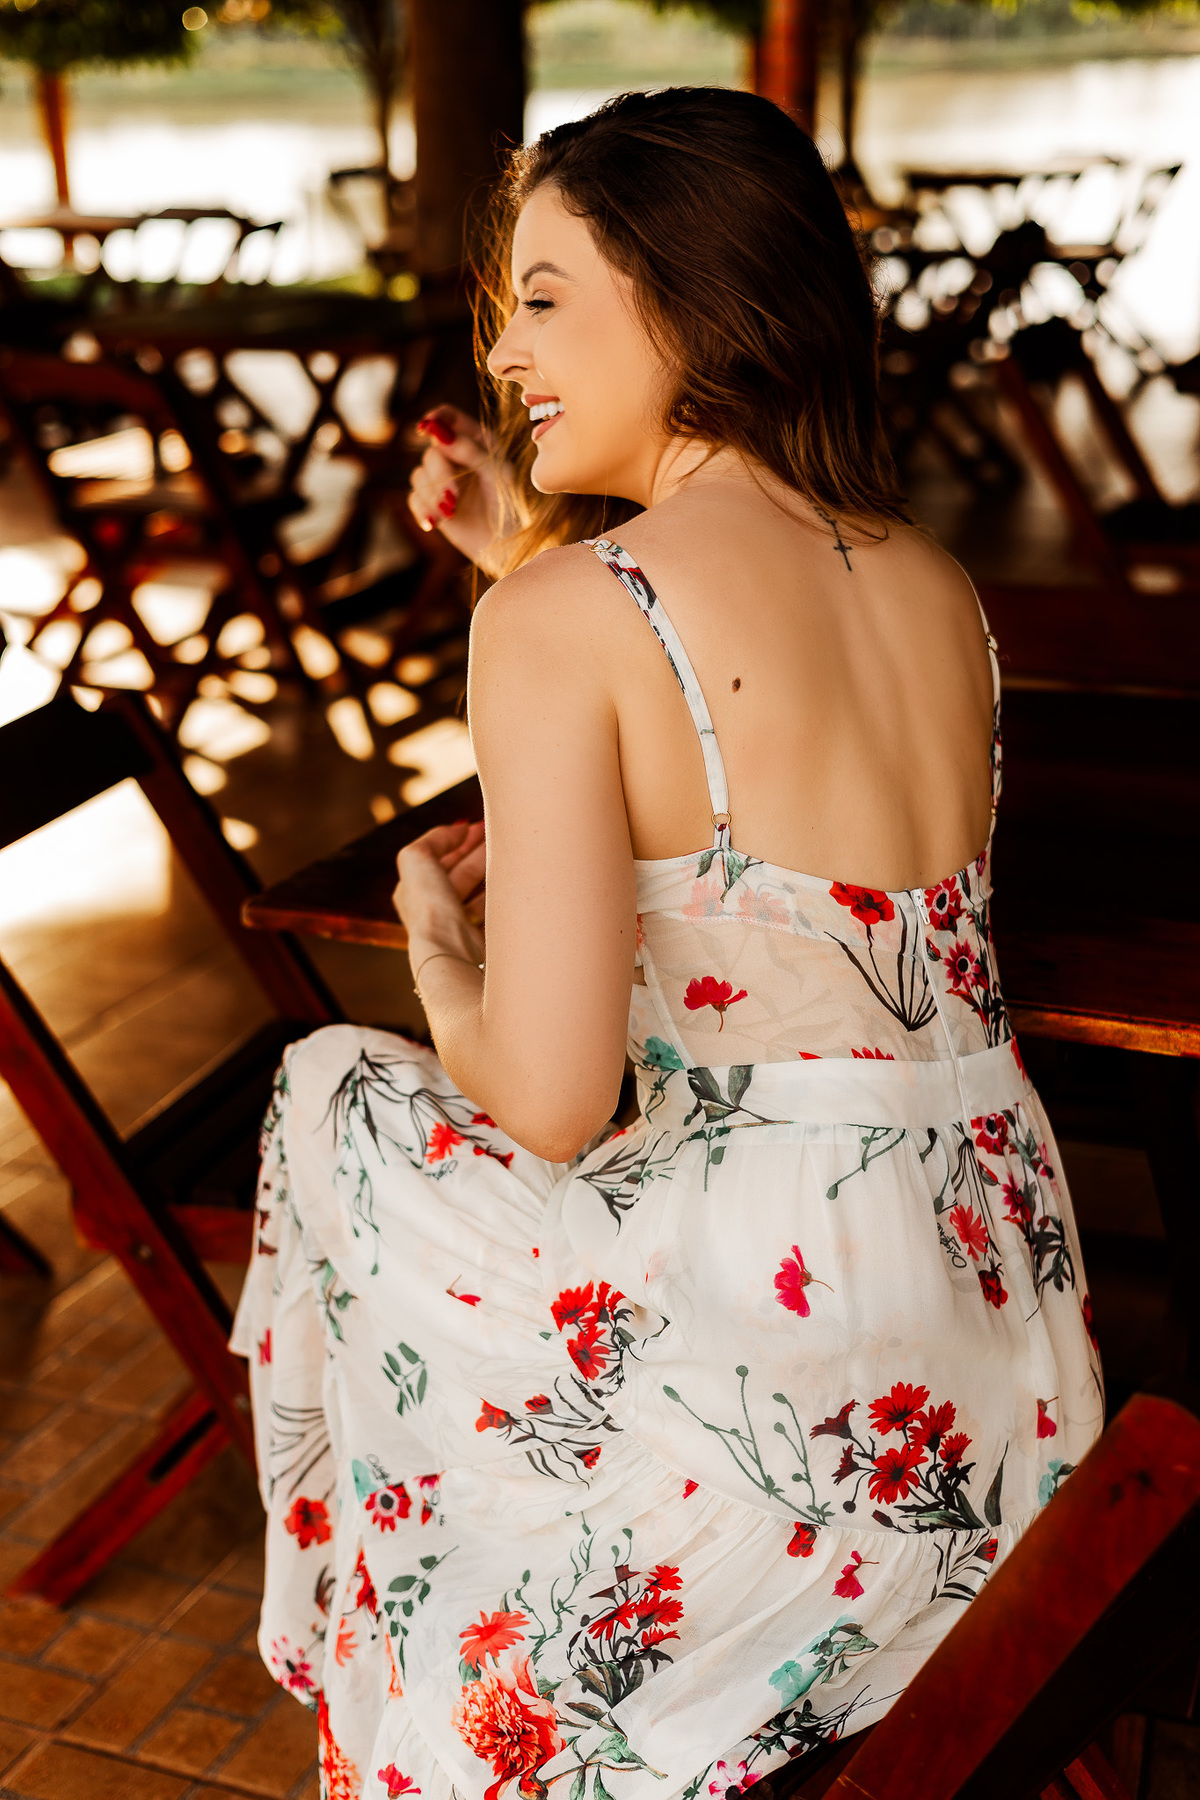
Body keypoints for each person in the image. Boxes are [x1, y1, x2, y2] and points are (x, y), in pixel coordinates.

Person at [232, 87, 1103, 1800]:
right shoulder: (934, 583)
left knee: (331, 1089)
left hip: (771, 1370)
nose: (505, 353)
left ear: (694, 304)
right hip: (999, 1357)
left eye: (546, 298)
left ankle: (429, 1691)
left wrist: (432, 934)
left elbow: (549, 1103)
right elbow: (758, 825)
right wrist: (523, 562)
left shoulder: (565, 622)